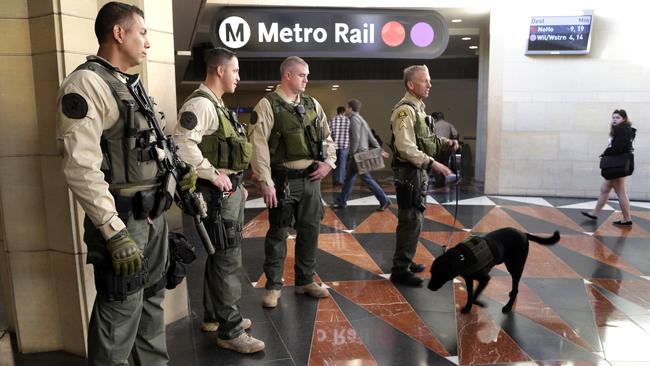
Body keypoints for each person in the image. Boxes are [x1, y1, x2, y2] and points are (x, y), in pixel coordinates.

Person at [55, 2, 196, 364]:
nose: (147, 43)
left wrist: (180, 171)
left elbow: (151, 147)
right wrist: (113, 231)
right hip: (123, 220)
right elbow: (80, 167)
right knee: (119, 312)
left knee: (151, 302)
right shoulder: (87, 84)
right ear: (119, 33)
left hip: (153, 215)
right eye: (142, 33)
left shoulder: (131, 86)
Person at [173, 48, 265, 353]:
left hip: (228, 193)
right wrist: (215, 175)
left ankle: (214, 315)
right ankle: (231, 329)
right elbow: (182, 144)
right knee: (228, 259)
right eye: (235, 71)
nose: (238, 77)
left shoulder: (217, 105)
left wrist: (235, 181)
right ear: (219, 71)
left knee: (220, 255)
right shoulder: (201, 104)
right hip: (216, 197)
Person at [249, 56, 337, 308]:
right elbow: (258, 148)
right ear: (287, 75)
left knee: (310, 231)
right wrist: (265, 182)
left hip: (311, 179)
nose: (307, 80)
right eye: (302, 75)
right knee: (278, 232)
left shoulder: (312, 104)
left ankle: (305, 280)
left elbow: (327, 138)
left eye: (307, 75)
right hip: (283, 180)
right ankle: (274, 286)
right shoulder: (267, 105)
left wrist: (328, 163)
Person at [389, 65, 458, 286]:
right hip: (409, 173)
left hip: (418, 173)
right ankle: (400, 269)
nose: (430, 84)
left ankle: (406, 261)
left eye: (429, 80)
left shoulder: (419, 109)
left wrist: (446, 143)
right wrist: (433, 163)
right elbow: (405, 147)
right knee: (409, 220)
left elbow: (426, 139)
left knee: (416, 219)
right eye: (425, 80)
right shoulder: (404, 111)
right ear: (411, 84)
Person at [332, 99, 391, 211]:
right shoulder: (361, 119)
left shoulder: (354, 120)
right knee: (349, 179)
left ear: (350, 108)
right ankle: (342, 201)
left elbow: (356, 138)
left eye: (347, 107)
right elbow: (371, 137)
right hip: (361, 154)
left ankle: (384, 200)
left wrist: (352, 153)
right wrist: (379, 149)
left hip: (358, 155)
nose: (346, 109)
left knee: (366, 179)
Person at [581, 109, 636, 226]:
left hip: (617, 166)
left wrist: (605, 153)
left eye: (618, 117)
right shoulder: (623, 129)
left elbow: (617, 148)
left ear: (624, 119)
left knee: (620, 192)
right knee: (605, 189)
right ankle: (595, 213)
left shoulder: (623, 130)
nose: (615, 119)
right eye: (613, 117)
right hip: (617, 166)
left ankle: (627, 219)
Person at [431, 112, 459, 187]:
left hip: (437, 148)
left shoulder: (434, 125)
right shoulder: (449, 124)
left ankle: (438, 181)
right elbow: (456, 134)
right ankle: (442, 181)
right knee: (445, 163)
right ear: (443, 117)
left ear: (436, 118)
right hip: (447, 148)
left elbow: (430, 135)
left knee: (436, 164)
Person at [329, 106, 350, 185]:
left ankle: (334, 180)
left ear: (337, 112)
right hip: (345, 145)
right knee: (343, 162)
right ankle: (340, 180)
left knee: (334, 162)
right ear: (344, 112)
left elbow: (329, 133)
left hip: (334, 145)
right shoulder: (348, 120)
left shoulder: (332, 120)